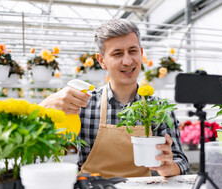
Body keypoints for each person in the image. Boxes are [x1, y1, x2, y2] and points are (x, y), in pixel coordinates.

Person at [40, 18, 189, 178]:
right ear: (101, 60)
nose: (127, 61)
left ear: (141, 53)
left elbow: (181, 161)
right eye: (117, 54)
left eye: (133, 51)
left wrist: (170, 167)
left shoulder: (159, 109)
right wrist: (45, 107)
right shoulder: (83, 104)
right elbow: (38, 143)